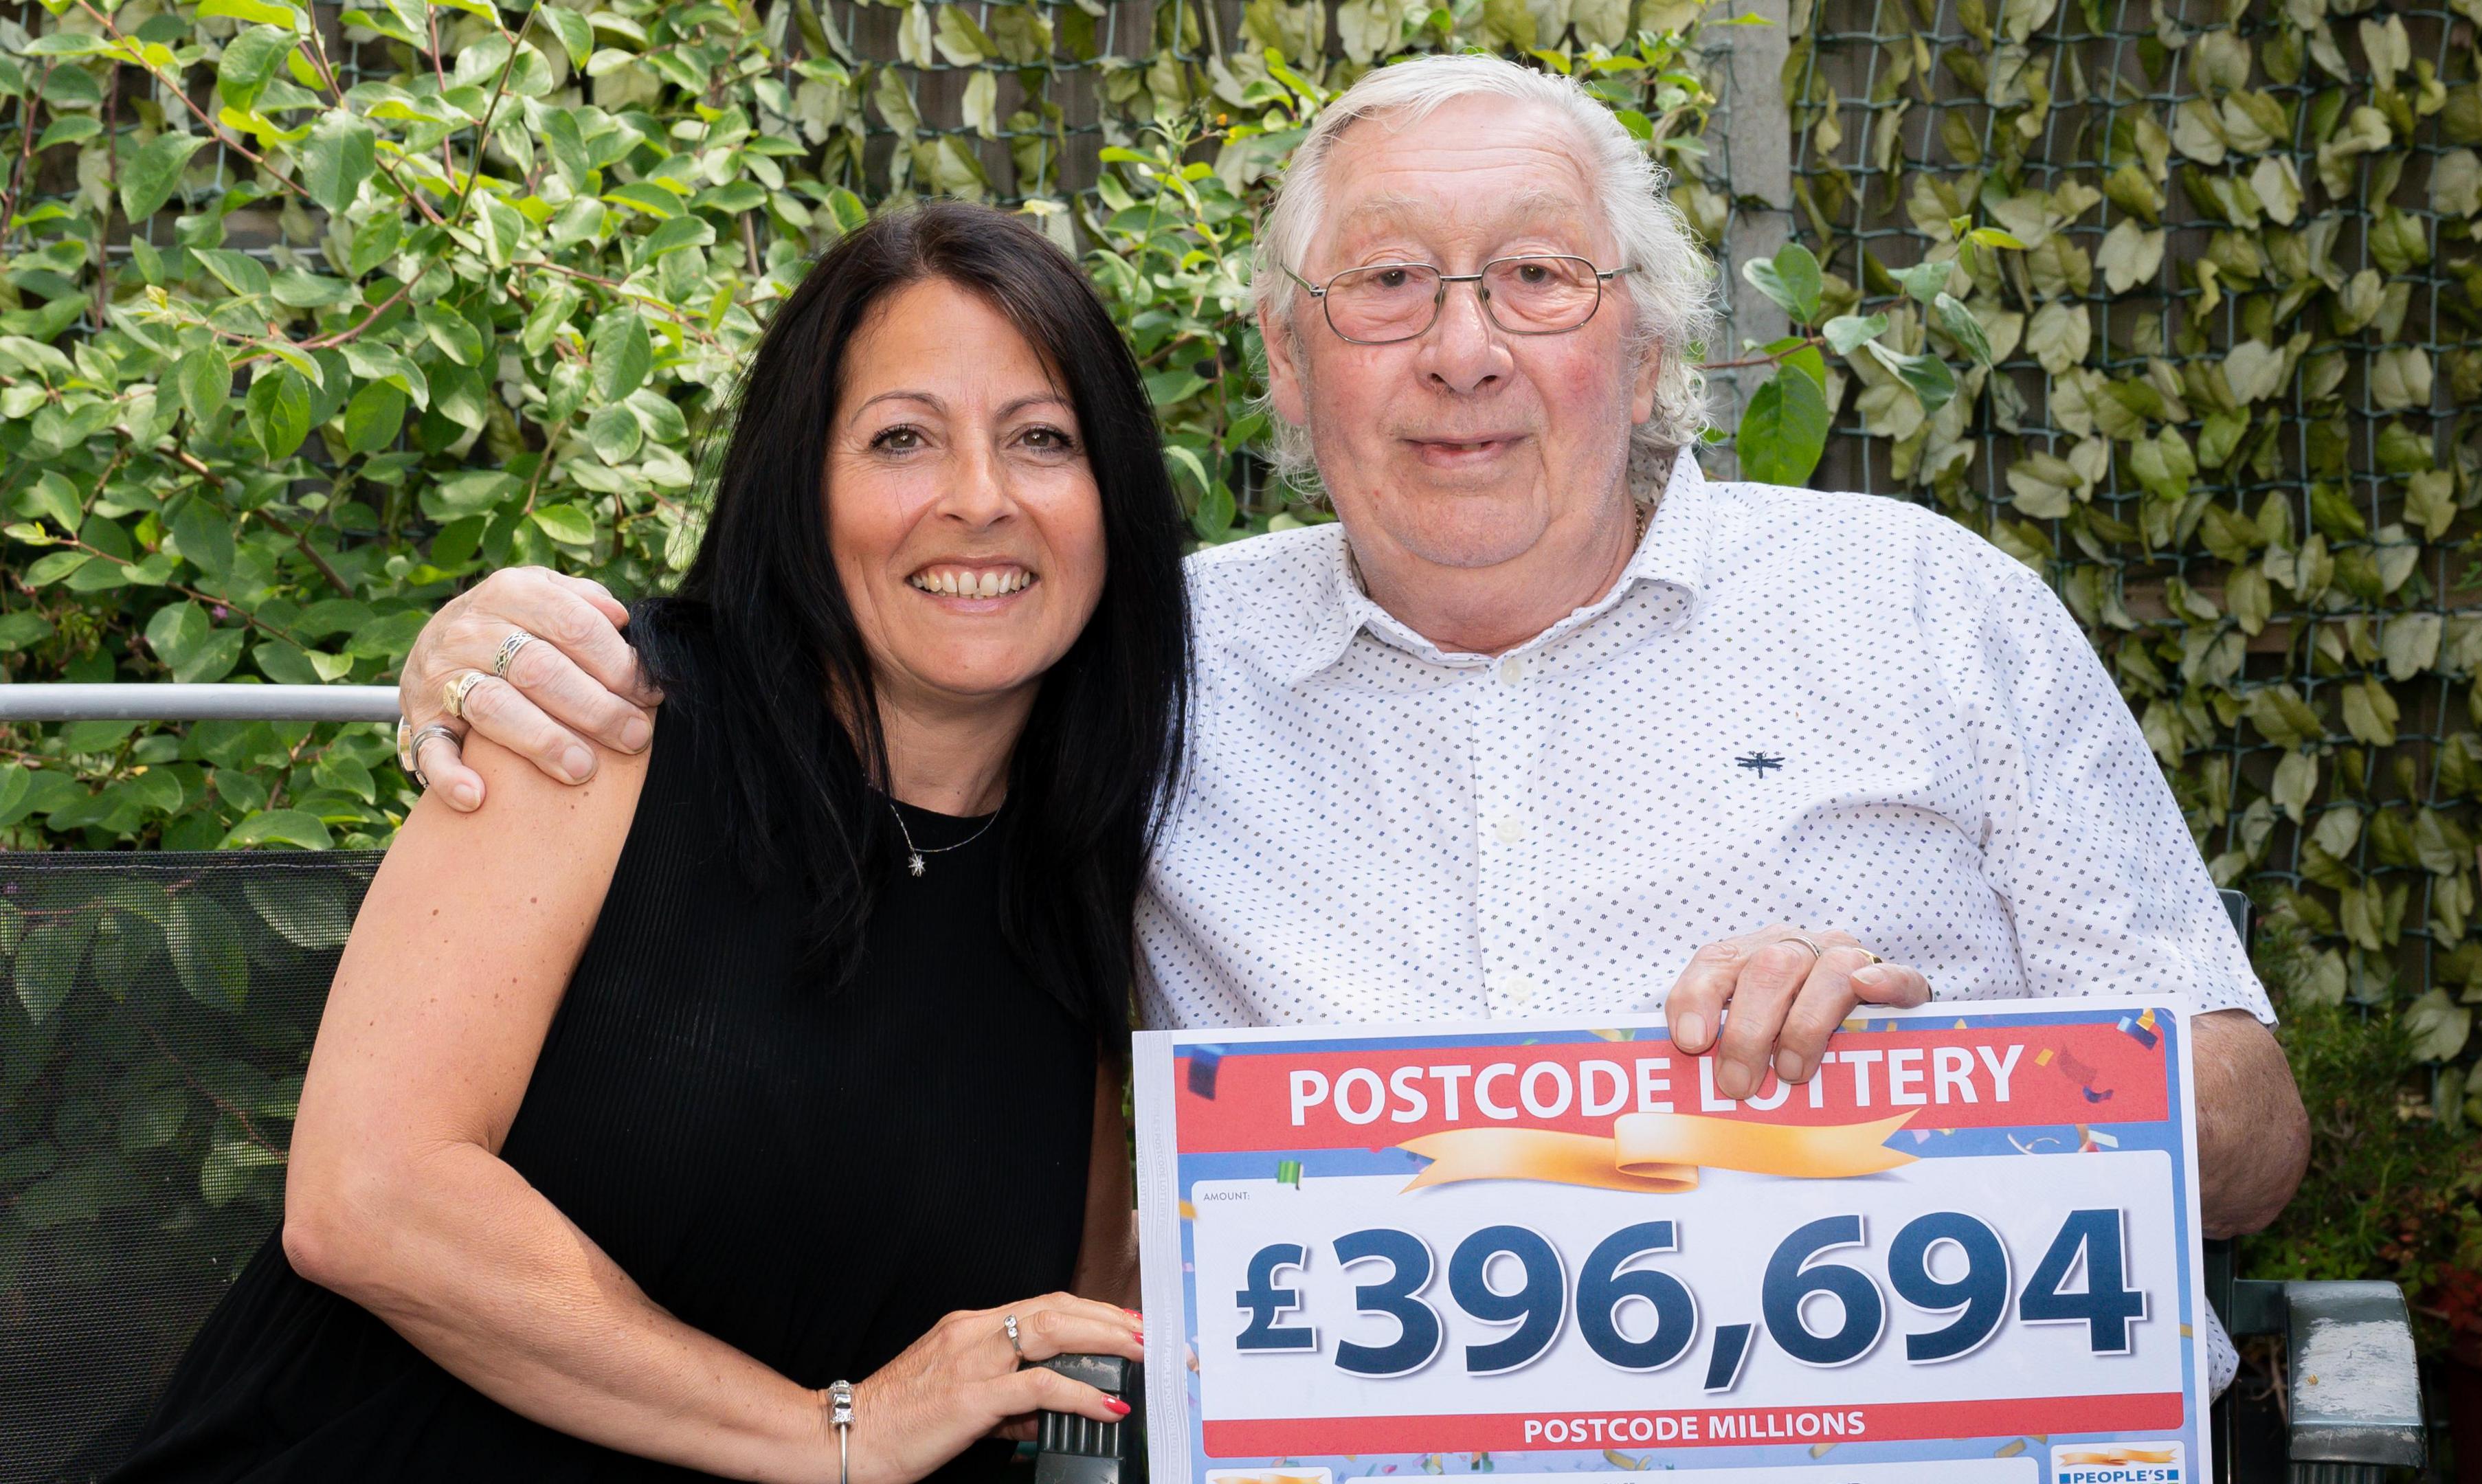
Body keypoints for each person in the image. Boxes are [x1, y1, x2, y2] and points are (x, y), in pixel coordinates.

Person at [392, 58, 2309, 1386]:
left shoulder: (1922, 608)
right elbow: (851, 657)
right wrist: (516, 632)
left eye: (1538, 281)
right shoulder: (1142, 668)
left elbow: (2253, 1138)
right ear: (1292, 376)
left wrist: (1951, 1073)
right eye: (1387, 287)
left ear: (1646, 353)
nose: (1464, 348)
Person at [113, 202, 1189, 1483]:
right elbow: (370, 1199)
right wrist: (831, 1432)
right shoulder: (604, 720)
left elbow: (1059, 1340)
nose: (977, 499)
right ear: (804, 482)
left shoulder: (1091, 873)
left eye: (1043, 440)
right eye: (902, 437)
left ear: (1111, 497)